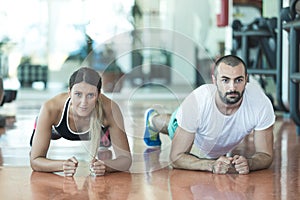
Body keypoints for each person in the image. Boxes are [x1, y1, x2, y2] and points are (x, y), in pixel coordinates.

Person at [143, 55, 275, 174]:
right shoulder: (197, 102)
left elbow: (266, 155)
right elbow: (176, 158)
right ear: (214, 80)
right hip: (193, 120)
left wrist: (250, 163)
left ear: (246, 79)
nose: (232, 88)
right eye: (225, 80)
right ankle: (152, 120)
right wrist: (211, 165)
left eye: (238, 80)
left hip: (210, 133)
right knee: (171, 125)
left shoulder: (260, 103)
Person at [30, 67, 132, 176]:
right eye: (78, 94)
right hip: (59, 130)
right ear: (69, 93)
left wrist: (105, 166)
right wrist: (62, 165)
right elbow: (35, 161)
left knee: (102, 131)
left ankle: (104, 134)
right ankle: (40, 123)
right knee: (44, 133)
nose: (84, 103)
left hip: (98, 127)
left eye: (90, 95)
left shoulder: (111, 110)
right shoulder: (51, 109)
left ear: (98, 95)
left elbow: (126, 160)